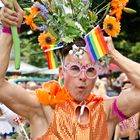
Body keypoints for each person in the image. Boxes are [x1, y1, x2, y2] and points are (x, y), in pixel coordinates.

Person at [1, 0, 140, 140]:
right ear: (62, 72)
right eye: (75, 68)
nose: (83, 76)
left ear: (97, 74)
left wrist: (114, 55)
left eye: (90, 70)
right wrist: (8, 29)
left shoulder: (107, 111)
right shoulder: (42, 107)